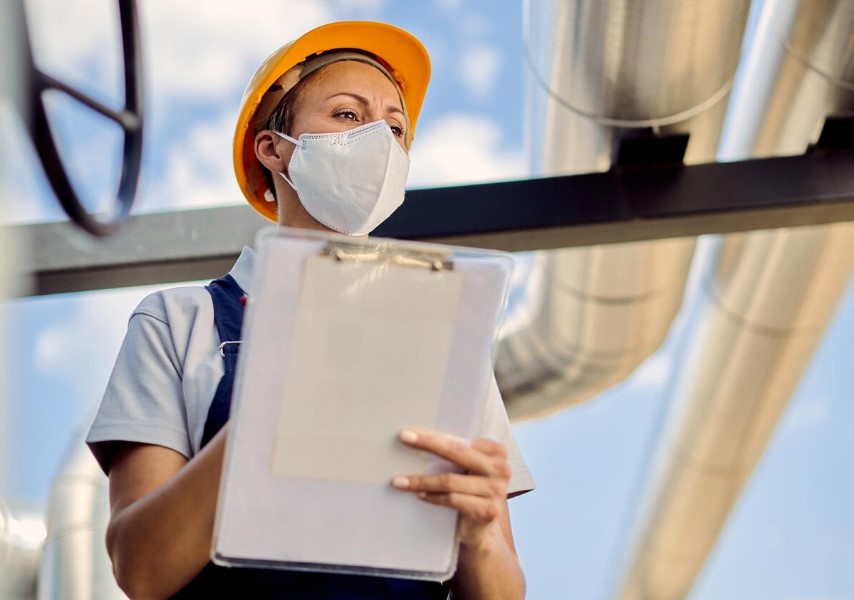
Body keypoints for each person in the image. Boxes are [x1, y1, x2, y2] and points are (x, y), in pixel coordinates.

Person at [87, 21, 534, 599]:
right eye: (348, 115)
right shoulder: (178, 322)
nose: (379, 140)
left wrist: (479, 540)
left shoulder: (448, 343)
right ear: (273, 148)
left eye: (395, 128)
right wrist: (266, 414)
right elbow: (142, 571)